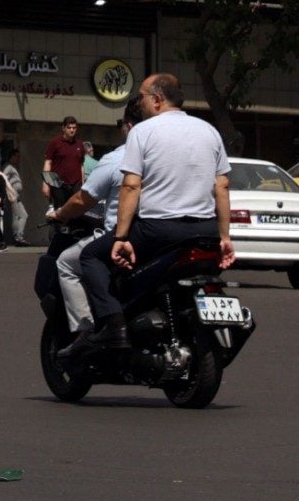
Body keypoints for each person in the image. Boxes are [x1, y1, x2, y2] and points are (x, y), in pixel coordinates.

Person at [69, 72, 232, 357]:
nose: (138, 102)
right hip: (205, 232)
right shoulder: (209, 131)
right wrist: (225, 236)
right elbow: (222, 186)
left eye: (142, 96)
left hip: (158, 231)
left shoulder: (143, 132)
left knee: (91, 255)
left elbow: (131, 185)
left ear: (157, 99)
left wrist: (120, 237)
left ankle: (114, 325)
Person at [40, 103, 138, 337]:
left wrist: (61, 213)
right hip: (65, 189)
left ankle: (86, 332)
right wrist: (47, 183)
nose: (73, 130)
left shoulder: (117, 159)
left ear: (128, 126)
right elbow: (49, 166)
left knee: (67, 262)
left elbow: (84, 198)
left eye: (75, 127)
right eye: (70, 126)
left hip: (100, 216)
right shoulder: (56, 144)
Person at [44, 117, 93, 200]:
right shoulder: (55, 142)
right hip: (58, 184)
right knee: (59, 211)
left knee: (75, 211)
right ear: (63, 128)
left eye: (74, 128)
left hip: (76, 185)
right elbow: (48, 163)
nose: (72, 130)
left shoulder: (79, 144)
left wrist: (83, 184)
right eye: (69, 128)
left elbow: (81, 165)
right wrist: (45, 184)